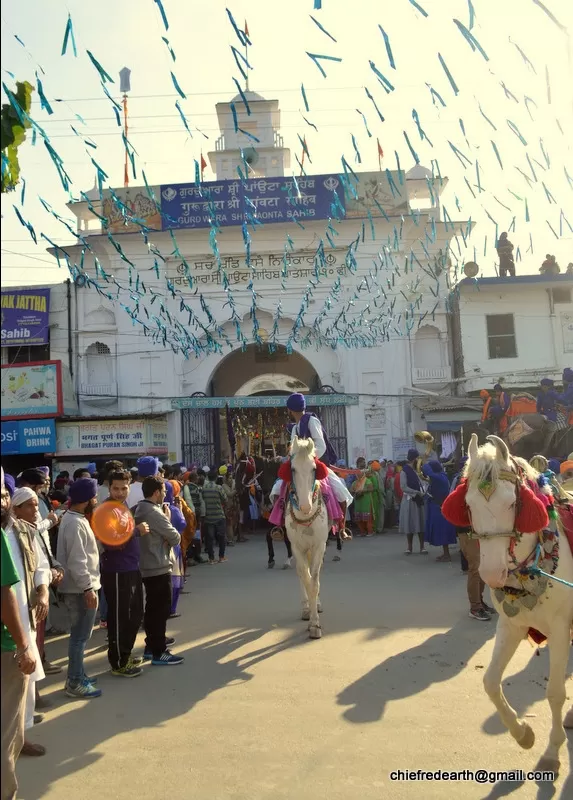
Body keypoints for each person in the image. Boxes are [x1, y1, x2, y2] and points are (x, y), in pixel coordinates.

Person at [3, 483, 51, 762]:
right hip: (4, 623)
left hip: (24, 617)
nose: (3, 500)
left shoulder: (24, 531)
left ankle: (20, 739)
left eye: (5, 494)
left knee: (25, 682)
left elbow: (41, 566)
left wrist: (43, 591)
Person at [1, 469, 39, 800]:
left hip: (19, 623)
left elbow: (36, 568)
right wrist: (22, 645)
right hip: (7, 642)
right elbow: (4, 592)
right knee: (5, 733)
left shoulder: (24, 532)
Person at [99, 470, 150, 677]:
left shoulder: (122, 506)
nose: (120, 492)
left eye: (123, 488)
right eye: (116, 488)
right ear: (109, 488)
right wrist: (136, 531)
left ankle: (125, 653)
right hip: (117, 571)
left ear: (129, 486)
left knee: (136, 614)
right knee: (120, 617)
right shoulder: (107, 510)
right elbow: (111, 543)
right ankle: (119, 662)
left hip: (131, 567)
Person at [57, 478, 102, 699]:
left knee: (80, 636)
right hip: (79, 589)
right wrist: (88, 588)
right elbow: (77, 560)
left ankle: (78, 675)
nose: (96, 500)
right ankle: (75, 682)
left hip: (80, 587)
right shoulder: (74, 523)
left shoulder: (75, 518)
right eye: (94, 497)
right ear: (86, 500)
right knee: (79, 637)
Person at [134, 476, 184, 666]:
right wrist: (168, 523)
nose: (165, 494)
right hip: (158, 564)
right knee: (160, 610)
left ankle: (151, 646)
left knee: (153, 608)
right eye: (163, 490)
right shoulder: (154, 512)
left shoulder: (141, 508)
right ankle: (159, 651)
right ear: (156, 492)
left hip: (149, 563)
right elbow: (174, 536)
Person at [285, 393, 353, 524]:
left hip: (315, 465)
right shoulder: (294, 428)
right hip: (298, 467)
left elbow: (321, 446)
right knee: (278, 489)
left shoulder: (312, 421)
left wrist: (307, 458)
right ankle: (281, 524)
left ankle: (341, 527)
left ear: (290, 410)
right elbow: (293, 450)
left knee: (340, 492)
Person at [421, 462, 458, 562]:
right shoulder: (441, 476)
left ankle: (447, 555)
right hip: (438, 506)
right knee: (442, 531)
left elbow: (426, 469)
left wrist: (423, 462)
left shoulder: (439, 477)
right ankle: (445, 553)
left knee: (442, 532)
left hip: (439, 508)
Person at [164, 481, 186, 617]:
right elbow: (182, 524)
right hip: (173, 548)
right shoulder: (173, 509)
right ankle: (171, 608)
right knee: (174, 580)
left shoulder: (146, 508)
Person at [399, 449, 427, 555]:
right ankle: (409, 546)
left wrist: (424, 489)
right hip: (409, 500)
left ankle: (422, 547)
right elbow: (403, 487)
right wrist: (416, 492)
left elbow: (424, 481)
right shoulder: (404, 471)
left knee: (421, 522)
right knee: (409, 523)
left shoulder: (419, 470)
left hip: (419, 499)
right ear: (414, 459)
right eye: (418, 458)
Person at [202, 471, 229, 564]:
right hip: (219, 515)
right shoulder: (218, 487)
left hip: (208, 516)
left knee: (209, 538)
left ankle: (211, 558)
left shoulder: (203, 488)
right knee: (222, 537)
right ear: (216, 478)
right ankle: (221, 557)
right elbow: (225, 499)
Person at [351, 459, 377, 536]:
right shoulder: (355, 482)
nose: (358, 474)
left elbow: (371, 488)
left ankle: (370, 531)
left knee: (368, 518)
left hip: (366, 501)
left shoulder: (367, 480)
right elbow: (351, 489)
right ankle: (362, 532)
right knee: (359, 518)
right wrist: (354, 491)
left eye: (359, 473)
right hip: (358, 502)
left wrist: (363, 490)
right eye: (357, 473)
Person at [537, 378, 559, 453]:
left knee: (552, 428)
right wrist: (539, 413)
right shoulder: (540, 394)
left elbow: (559, 400)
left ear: (547, 386)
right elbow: (538, 405)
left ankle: (546, 448)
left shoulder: (553, 393)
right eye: (541, 386)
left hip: (552, 413)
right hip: (543, 413)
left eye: (543, 386)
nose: (542, 387)